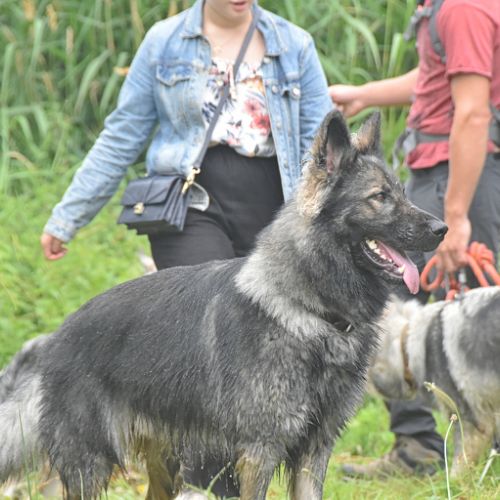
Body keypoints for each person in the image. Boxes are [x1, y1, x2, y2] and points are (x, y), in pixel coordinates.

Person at [40, 0, 333, 496]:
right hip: (190, 204)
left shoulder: (294, 44)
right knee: (209, 347)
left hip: (274, 213)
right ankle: (207, 488)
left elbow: (323, 147)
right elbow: (123, 134)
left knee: (262, 360)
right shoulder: (165, 41)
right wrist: (68, 216)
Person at [330, 0, 500, 477]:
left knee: (458, 317)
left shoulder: (462, 8)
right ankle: (434, 445)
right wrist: (365, 95)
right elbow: (435, 75)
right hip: (443, 177)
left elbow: (473, 113)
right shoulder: (444, 8)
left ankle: (432, 448)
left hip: (454, 178)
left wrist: (457, 216)